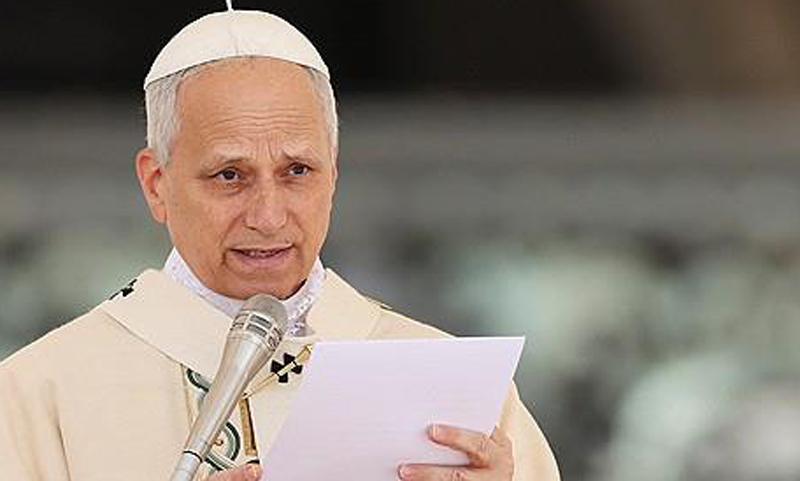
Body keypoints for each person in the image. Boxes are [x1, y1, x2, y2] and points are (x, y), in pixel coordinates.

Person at [0, 9, 559, 481]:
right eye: (229, 176)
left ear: (333, 174)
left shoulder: (455, 389)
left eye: (297, 171)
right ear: (157, 184)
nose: (268, 217)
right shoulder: (39, 394)